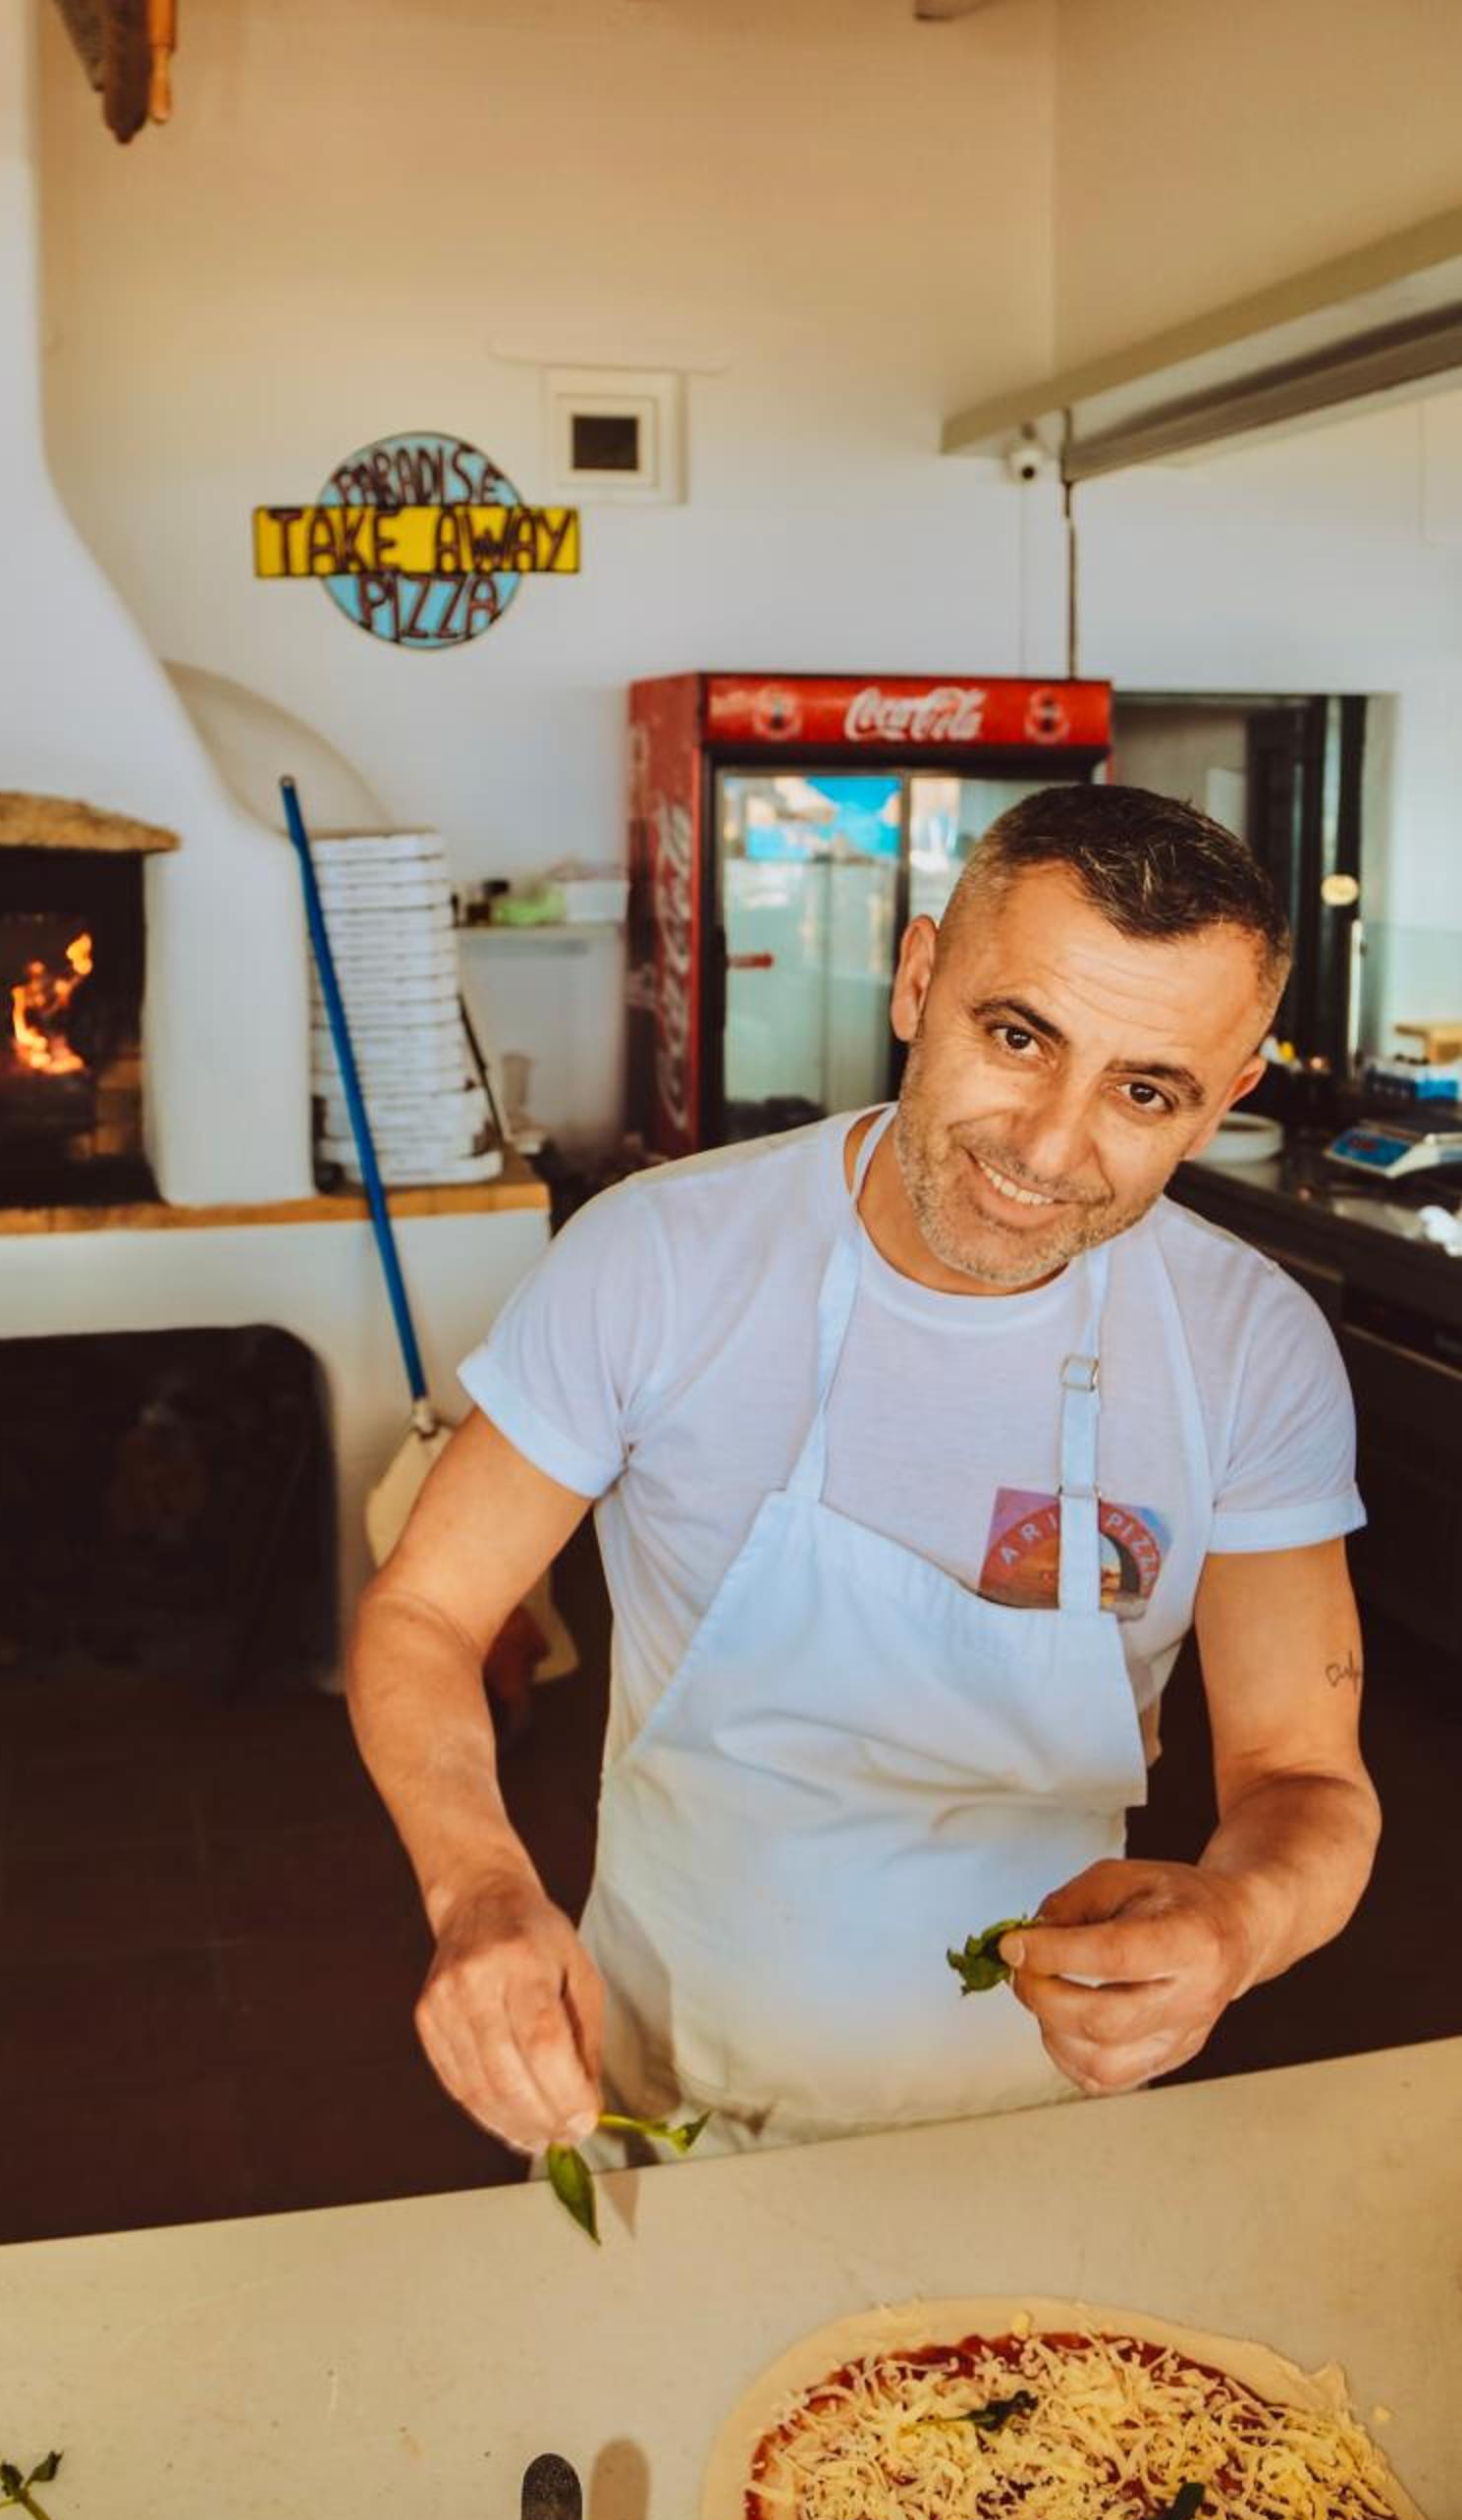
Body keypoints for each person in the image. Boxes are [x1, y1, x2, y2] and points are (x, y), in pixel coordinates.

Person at [348, 786, 1379, 2162]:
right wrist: (477, 1888)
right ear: (916, 980)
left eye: (1143, 1092)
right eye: (1018, 1036)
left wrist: (1241, 1924)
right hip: (675, 2077)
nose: (1048, 1147)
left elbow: (1303, 1776)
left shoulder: (1249, 1347)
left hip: (1053, 2109)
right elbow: (426, 1612)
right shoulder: (659, 1259)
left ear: (1222, 1105)